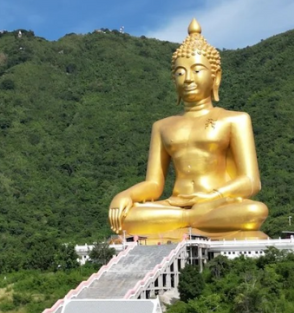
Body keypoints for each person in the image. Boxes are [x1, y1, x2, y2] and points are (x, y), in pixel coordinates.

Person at [108, 19, 268, 240]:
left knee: (254, 211)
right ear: (173, 80)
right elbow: (154, 184)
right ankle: (190, 224)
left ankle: (179, 227)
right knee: (127, 216)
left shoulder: (234, 119)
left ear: (216, 76)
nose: (188, 79)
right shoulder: (162, 126)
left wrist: (212, 199)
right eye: (180, 73)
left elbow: (251, 181)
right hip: (176, 205)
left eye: (197, 70)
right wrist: (125, 195)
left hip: (217, 203)